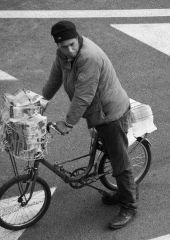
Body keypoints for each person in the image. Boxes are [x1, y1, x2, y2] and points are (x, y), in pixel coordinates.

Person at [42, 20, 137, 229]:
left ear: (77, 38)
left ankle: (129, 206)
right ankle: (123, 190)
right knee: (110, 153)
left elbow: (84, 95)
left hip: (110, 113)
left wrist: (68, 123)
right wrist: (41, 102)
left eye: (72, 44)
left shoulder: (88, 57)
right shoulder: (64, 55)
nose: (69, 49)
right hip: (97, 112)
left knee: (119, 163)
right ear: (57, 46)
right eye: (64, 46)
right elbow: (55, 77)